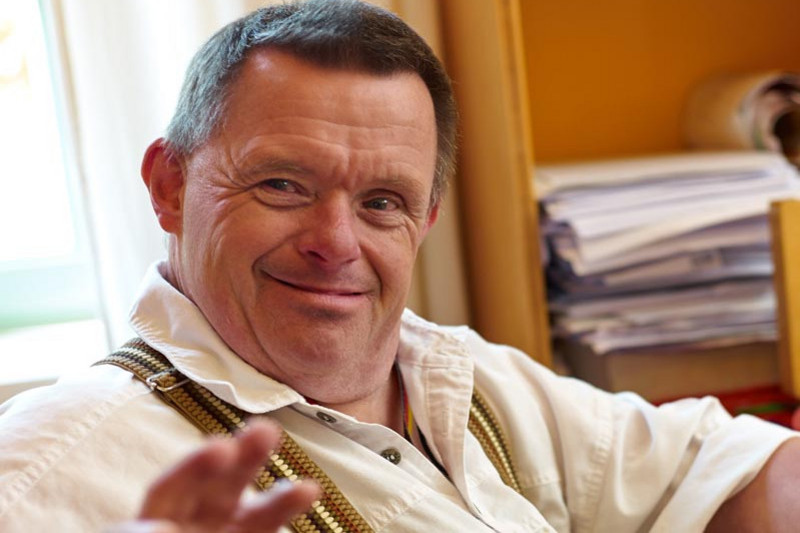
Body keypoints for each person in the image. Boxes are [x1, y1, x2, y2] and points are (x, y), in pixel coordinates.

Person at [2, 1, 800, 531]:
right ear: (169, 186)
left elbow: (724, 469)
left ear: (427, 220)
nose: (336, 241)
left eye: (383, 201)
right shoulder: (48, 469)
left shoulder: (462, 377)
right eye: (283, 184)